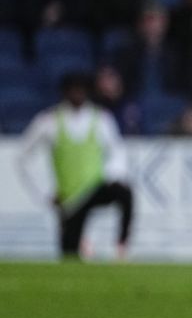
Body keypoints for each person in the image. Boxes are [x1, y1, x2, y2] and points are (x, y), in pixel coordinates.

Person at [16, 72, 134, 260]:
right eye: (73, 91)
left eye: (81, 90)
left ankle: (121, 244)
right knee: (69, 253)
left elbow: (117, 151)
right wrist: (44, 193)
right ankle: (81, 243)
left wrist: (112, 175)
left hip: (95, 189)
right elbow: (23, 159)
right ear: (64, 93)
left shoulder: (101, 119)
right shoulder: (49, 121)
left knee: (125, 192)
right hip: (69, 200)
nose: (78, 95)